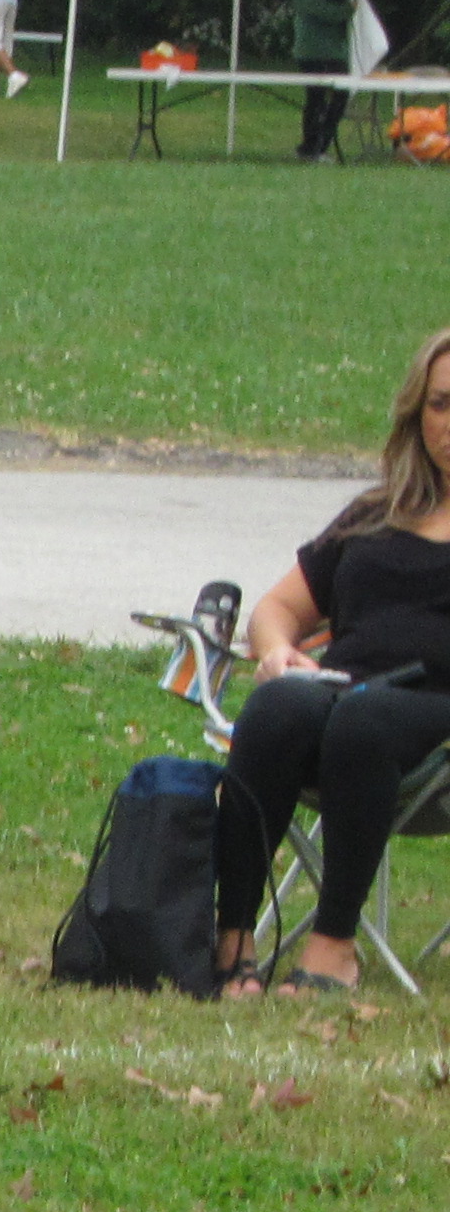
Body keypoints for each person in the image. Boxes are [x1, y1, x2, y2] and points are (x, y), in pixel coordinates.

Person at [213, 327, 450, 995]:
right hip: (343, 698)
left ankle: (334, 945)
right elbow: (276, 608)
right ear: (417, 415)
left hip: (433, 719)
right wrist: (277, 652)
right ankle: (233, 937)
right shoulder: (374, 514)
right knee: (278, 704)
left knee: (361, 722)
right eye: (440, 404)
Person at [291, 0, 354, 162]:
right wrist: (346, 11)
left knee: (326, 98)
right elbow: (316, 8)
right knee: (321, 99)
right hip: (315, 50)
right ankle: (312, 148)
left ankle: (316, 147)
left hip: (329, 50)